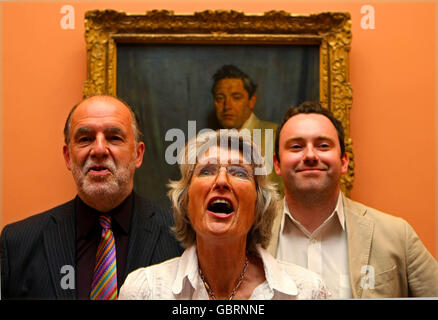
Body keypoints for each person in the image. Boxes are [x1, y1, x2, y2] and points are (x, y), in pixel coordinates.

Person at [0, 95, 183, 299]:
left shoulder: (181, 238)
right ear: (68, 156)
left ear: (138, 155)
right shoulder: (17, 244)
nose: (98, 150)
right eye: (85, 139)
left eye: (114, 138)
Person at [119, 130, 330, 300]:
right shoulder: (144, 291)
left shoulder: (307, 292)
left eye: (239, 173)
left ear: (259, 204)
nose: (221, 181)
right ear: (186, 201)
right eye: (206, 171)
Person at [268, 101, 438, 298]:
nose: (310, 155)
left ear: (343, 162)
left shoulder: (397, 236)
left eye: (323, 146)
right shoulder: (249, 237)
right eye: (296, 147)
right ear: (277, 164)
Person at [211, 64, 283, 194]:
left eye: (236, 97)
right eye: (220, 98)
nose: (227, 105)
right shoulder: (208, 144)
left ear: (252, 100)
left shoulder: (276, 136)